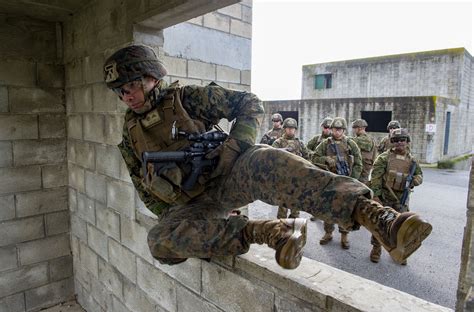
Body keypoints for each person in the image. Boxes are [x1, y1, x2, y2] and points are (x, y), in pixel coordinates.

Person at [103, 44, 432, 270]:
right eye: (120, 91)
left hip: (227, 176)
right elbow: (143, 186)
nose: (127, 95)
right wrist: (184, 220)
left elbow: (249, 102)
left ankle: (381, 219)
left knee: (266, 159)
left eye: (131, 85)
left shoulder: (188, 99)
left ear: (151, 77)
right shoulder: (130, 131)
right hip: (191, 204)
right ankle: (270, 232)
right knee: (160, 241)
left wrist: (236, 146)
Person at [369, 128, 423, 265]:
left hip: (402, 200)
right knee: (380, 224)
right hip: (385, 198)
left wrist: (417, 179)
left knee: (402, 227)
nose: (399, 143)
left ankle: (399, 252)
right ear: (391, 142)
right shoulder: (383, 158)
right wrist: (376, 196)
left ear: (407, 142)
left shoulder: (412, 161)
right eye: (396, 140)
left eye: (402, 140)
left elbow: (420, 175)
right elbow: (376, 178)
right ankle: (376, 248)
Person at [312, 117, 363, 250]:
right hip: (330, 183)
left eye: (340, 130)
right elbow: (314, 158)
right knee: (327, 209)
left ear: (344, 130)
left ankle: (344, 236)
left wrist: (352, 180)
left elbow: (358, 164)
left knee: (345, 211)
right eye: (335, 129)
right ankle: (328, 233)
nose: (337, 132)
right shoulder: (325, 144)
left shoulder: (351, 144)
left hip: (346, 183)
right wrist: (326, 159)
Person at [272, 118, 310, 219]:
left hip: (297, 179)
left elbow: (307, 159)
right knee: (283, 208)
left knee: (296, 208)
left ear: (295, 130)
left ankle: (293, 231)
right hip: (283, 178)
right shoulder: (278, 143)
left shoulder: (300, 143)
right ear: (284, 129)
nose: (290, 130)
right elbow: (271, 157)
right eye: (288, 128)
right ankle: (281, 232)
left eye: (292, 128)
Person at [350, 119, 377, 185]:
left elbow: (351, 141)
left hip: (362, 169)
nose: (353, 130)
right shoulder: (366, 138)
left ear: (360, 128)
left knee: (360, 187)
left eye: (354, 128)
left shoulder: (365, 139)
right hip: (362, 168)